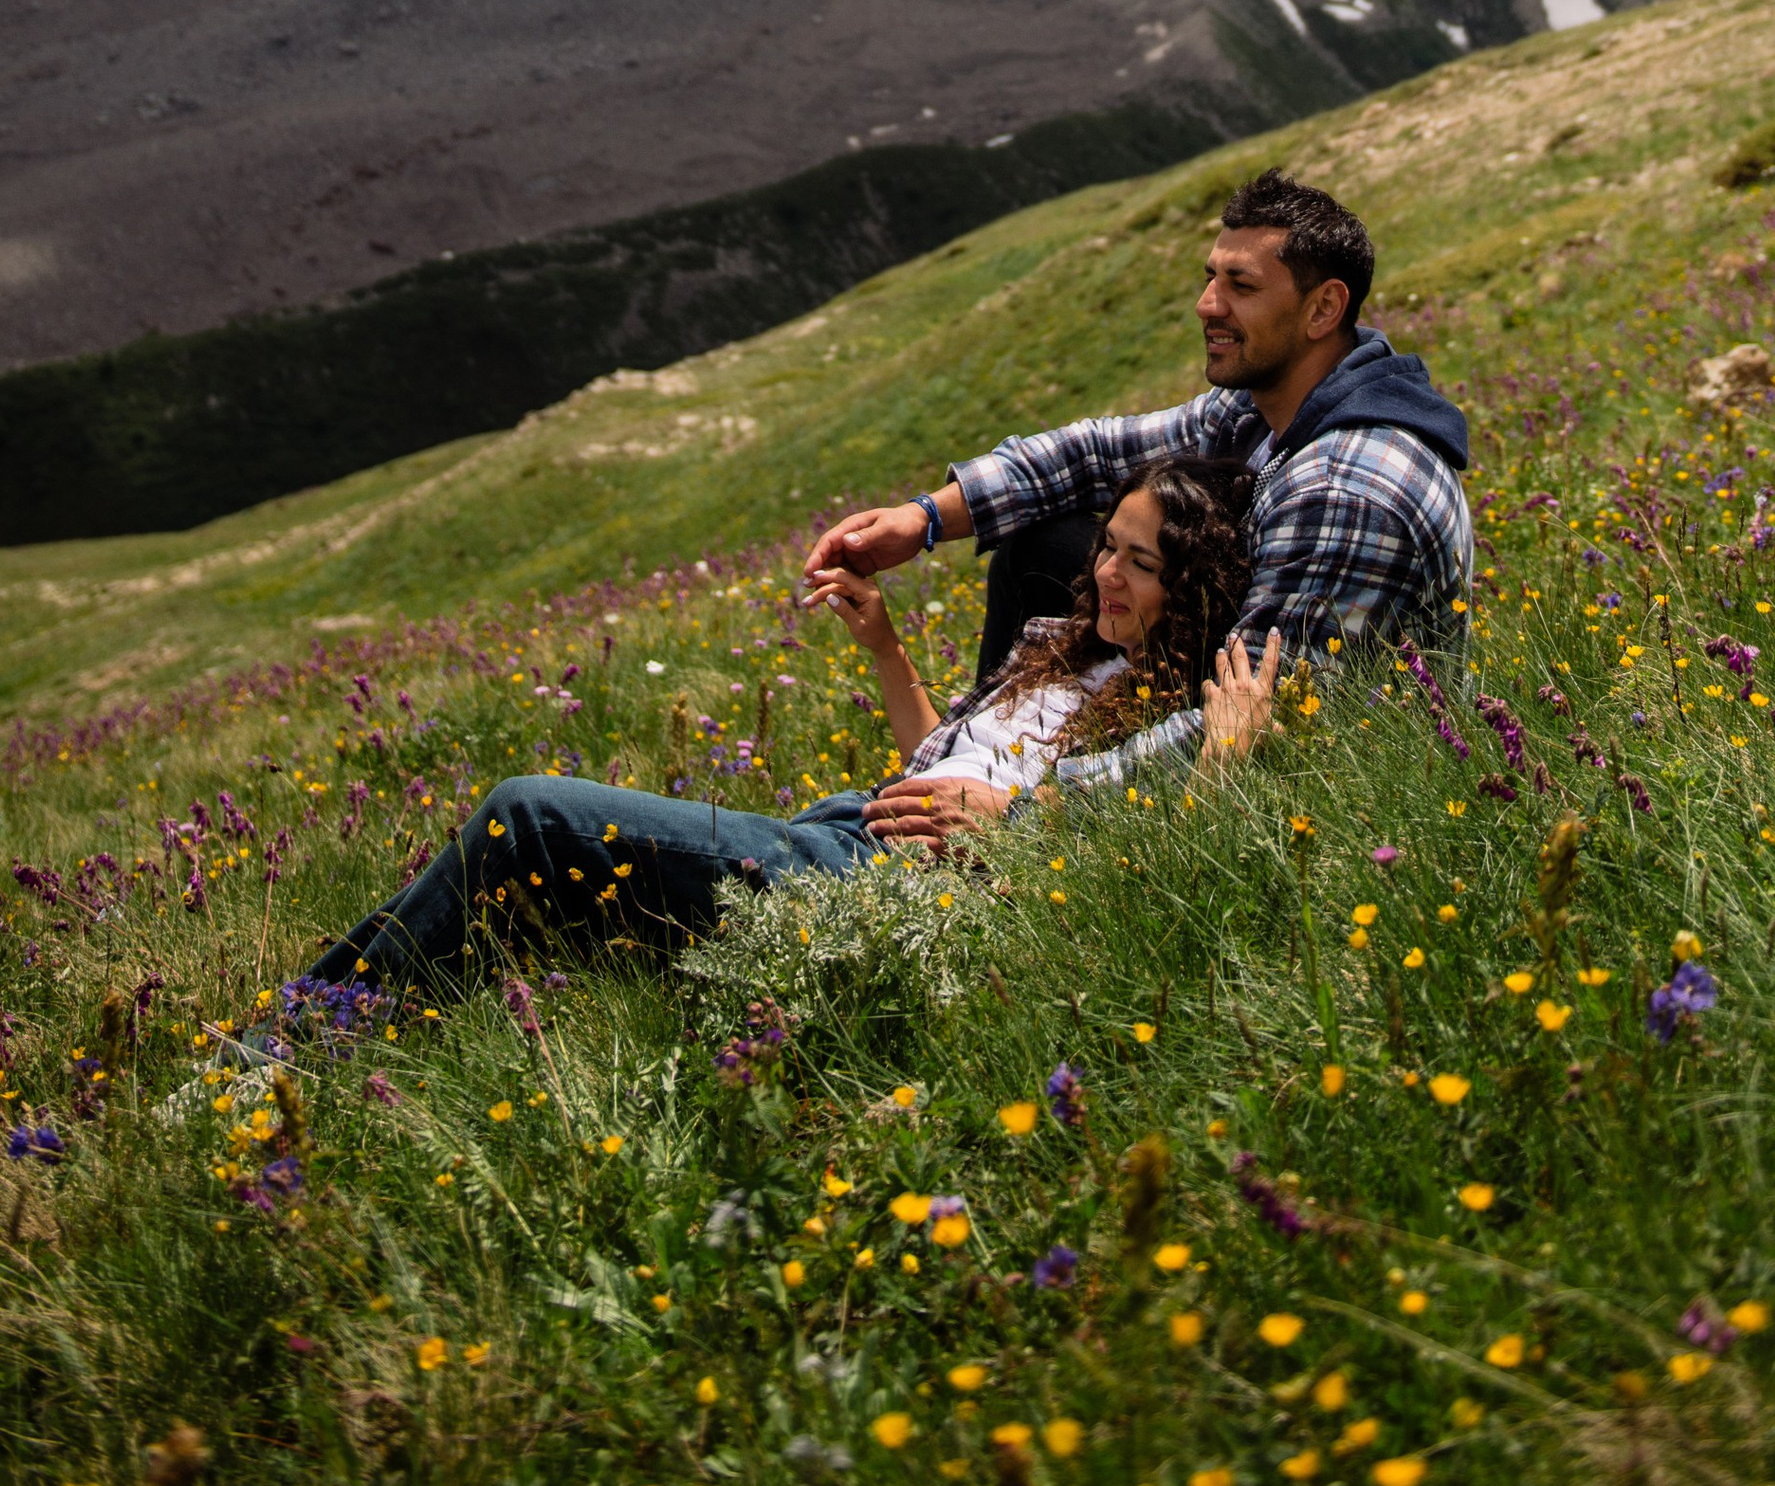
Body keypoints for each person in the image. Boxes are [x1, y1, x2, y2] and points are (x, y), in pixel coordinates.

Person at [290, 456, 1270, 996]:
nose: (1106, 573)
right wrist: (885, 647)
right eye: (1108, 547)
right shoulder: (1057, 642)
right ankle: (344, 1024)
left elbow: (1157, 876)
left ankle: (295, 1035)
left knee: (531, 818)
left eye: (1141, 564)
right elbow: (937, 768)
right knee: (544, 906)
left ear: (1191, 588)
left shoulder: (1170, 717)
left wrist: (1221, 760)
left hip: (888, 881)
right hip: (847, 824)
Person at [804, 168, 1472, 768]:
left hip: (1323, 775)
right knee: (1041, 547)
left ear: (1323, 308)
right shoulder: (1255, 408)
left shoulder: (1344, 489)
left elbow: (1260, 712)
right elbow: (1093, 455)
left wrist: (1030, 807)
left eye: (1241, 286)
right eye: (1211, 278)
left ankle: (978, 802)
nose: (1207, 304)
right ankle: (973, 760)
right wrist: (923, 519)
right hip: (1219, 677)